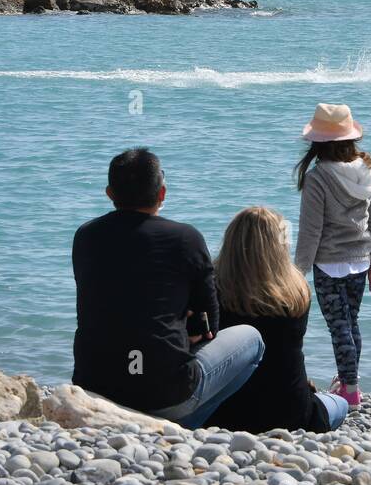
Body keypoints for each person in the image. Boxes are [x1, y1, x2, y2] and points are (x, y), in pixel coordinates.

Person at [71, 147, 263, 429]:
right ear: (162, 193)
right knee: (253, 340)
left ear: (110, 194)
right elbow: (210, 322)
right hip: (164, 391)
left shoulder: (85, 235)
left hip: (95, 385)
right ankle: (179, 426)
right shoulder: (185, 238)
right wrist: (186, 329)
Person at [205, 206, 349, 432]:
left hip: (224, 413)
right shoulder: (296, 291)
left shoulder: (212, 288)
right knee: (341, 403)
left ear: (230, 241)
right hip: (289, 412)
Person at [293, 103, 371, 409]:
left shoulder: (318, 178)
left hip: (329, 263)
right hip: (360, 260)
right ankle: (349, 381)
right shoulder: (366, 170)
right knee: (351, 322)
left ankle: (350, 388)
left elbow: (310, 233)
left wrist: (297, 273)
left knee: (339, 326)